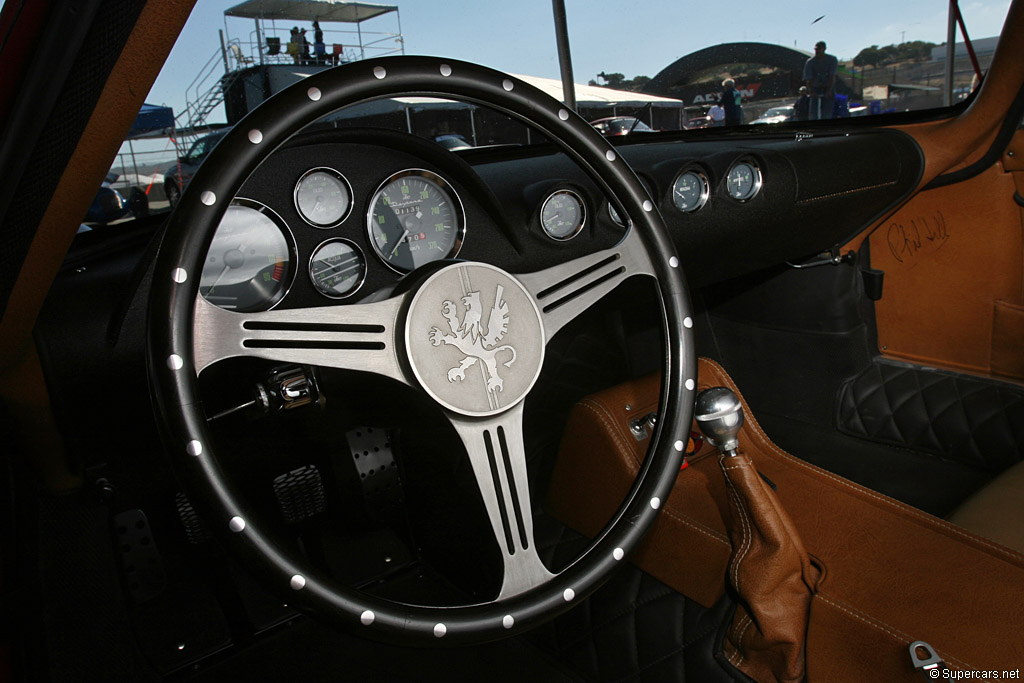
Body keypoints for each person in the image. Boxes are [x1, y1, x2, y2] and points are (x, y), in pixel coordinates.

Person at [803, 40, 838, 120]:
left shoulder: (832, 60)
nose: (817, 51)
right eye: (816, 49)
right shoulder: (810, 62)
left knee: (826, 114)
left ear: (824, 49)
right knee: (813, 114)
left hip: (827, 88)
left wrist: (829, 90)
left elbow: (832, 76)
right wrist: (811, 91)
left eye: (819, 49)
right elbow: (808, 79)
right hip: (815, 89)